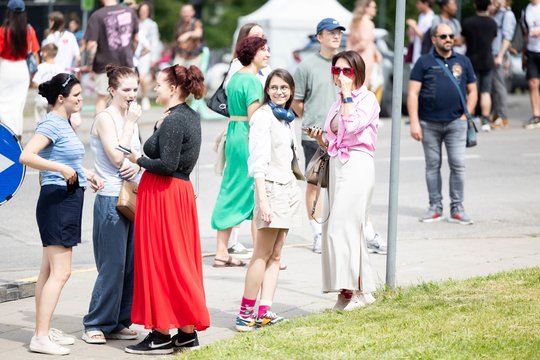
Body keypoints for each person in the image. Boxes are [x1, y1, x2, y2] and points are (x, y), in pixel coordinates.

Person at [125, 64, 209, 355]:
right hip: (174, 194)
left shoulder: (175, 120)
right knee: (176, 261)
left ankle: (161, 334)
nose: (155, 87)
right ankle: (185, 334)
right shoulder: (182, 116)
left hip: (165, 193)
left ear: (173, 88)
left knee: (161, 261)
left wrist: (138, 160)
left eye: (159, 84)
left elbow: (166, 164)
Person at [19, 73, 104, 355]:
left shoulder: (64, 123)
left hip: (66, 197)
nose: (82, 99)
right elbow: (27, 156)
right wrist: (62, 170)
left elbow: (66, 161)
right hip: (57, 201)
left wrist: (85, 173)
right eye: (77, 95)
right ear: (61, 99)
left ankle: (42, 329)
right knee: (62, 272)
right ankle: (41, 338)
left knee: (47, 270)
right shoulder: (52, 124)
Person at [306, 50, 380, 311]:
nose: (340, 76)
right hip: (338, 165)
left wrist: (348, 93)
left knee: (344, 226)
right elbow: (332, 136)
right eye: (336, 71)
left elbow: (352, 126)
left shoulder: (367, 99)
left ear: (358, 72)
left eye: (346, 71)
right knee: (334, 229)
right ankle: (346, 291)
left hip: (358, 164)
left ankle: (359, 290)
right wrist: (319, 138)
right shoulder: (336, 102)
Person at [235, 69, 302, 331]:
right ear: (267, 90)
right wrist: (262, 201)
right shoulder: (263, 117)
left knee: (276, 255)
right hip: (271, 190)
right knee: (261, 255)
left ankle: (264, 312)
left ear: (291, 90)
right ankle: (244, 314)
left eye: (284, 87)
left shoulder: (287, 118)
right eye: (274, 87)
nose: (279, 92)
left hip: (287, 188)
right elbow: (258, 163)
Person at [82, 65, 142, 345]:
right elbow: (117, 157)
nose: (131, 95)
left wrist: (135, 165)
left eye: (135, 89)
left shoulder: (132, 117)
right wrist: (129, 124)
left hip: (131, 194)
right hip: (109, 198)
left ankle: (118, 320)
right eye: (126, 90)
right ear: (112, 91)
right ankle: (95, 322)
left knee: (130, 265)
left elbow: (136, 154)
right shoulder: (106, 118)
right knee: (113, 265)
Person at [408, 23, 478, 225]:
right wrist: (414, 122)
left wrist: (467, 114)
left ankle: (457, 208)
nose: (449, 39)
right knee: (432, 166)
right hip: (428, 124)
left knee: (458, 164)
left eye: (451, 36)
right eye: (444, 36)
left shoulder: (463, 61)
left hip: (457, 122)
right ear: (434, 39)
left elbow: (473, 90)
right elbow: (412, 93)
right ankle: (435, 207)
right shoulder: (423, 62)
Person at [210, 36, 270, 267]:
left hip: (234, 132)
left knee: (231, 187)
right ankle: (259, 252)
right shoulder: (253, 82)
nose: (267, 54)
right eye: (263, 50)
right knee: (252, 189)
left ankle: (222, 251)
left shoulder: (235, 77)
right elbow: (255, 118)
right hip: (246, 135)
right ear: (252, 52)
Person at [292, 18, 345, 254]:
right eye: (330, 32)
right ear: (319, 37)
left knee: (342, 185)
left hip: (344, 136)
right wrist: (315, 121)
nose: (336, 36)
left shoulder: (346, 62)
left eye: (339, 32)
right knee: (315, 185)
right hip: (314, 136)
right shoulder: (306, 66)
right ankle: (317, 233)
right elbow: (296, 100)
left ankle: (340, 230)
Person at [84, 0, 138, 114]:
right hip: (127, 62)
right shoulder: (130, 12)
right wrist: (130, 53)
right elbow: (136, 39)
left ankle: (100, 130)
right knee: (129, 98)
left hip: (104, 65)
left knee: (102, 98)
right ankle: (130, 128)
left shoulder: (97, 15)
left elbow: (92, 44)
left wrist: (90, 64)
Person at [0, 0, 39, 140]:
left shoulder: (3, 31)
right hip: (22, 70)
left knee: (3, 104)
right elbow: (34, 53)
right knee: (18, 104)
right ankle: (17, 133)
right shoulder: (29, 30)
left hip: (6, 69)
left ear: (9, 12)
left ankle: (6, 135)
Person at [462, 0, 498, 132]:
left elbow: (464, 40)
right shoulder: (492, 23)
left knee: (471, 91)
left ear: (474, 5)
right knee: (485, 92)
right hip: (487, 60)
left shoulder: (468, 23)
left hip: (471, 61)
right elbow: (492, 40)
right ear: (488, 5)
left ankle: (468, 117)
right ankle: (485, 120)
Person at [490, 0, 516, 129]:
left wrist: (500, 55)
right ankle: (496, 114)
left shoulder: (507, 15)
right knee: (494, 86)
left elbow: (507, 37)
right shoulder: (496, 13)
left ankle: (503, 116)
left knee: (499, 86)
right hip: (491, 53)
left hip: (498, 54)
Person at [347, 0, 383, 92]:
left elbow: (350, 41)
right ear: (366, 8)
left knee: (355, 87)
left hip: (355, 58)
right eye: (373, 7)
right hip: (365, 58)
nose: (375, 9)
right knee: (363, 89)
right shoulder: (367, 22)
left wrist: (351, 52)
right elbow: (365, 42)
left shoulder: (355, 21)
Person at [136, 1, 161, 110]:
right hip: (134, 54)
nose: (143, 13)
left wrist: (154, 58)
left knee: (142, 78)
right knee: (134, 78)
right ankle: (134, 98)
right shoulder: (135, 22)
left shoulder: (152, 24)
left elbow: (154, 42)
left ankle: (145, 97)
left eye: (145, 11)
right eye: (142, 11)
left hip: (145, 55)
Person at [520, 0, 540, 129]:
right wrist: (523, 54)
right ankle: (536, 115)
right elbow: (525, 33)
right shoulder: (525, 10)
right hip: (532, 51)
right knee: (532, 83)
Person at [32, 44, 63, 123]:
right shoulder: (59, 68)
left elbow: (35, 82)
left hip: (41, 100)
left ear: (45, 54)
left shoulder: (41, 67)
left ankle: (42, 134)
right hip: (54, 101)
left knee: (41, 122)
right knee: (52, 121)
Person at [406, 0, 435, 64]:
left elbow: (425, 38)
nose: (417, 5)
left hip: (424, 54)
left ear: (426, 3)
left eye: (418, 3)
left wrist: (414, 26)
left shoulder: (431, 18)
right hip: (416, 54)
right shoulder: (421, 16)